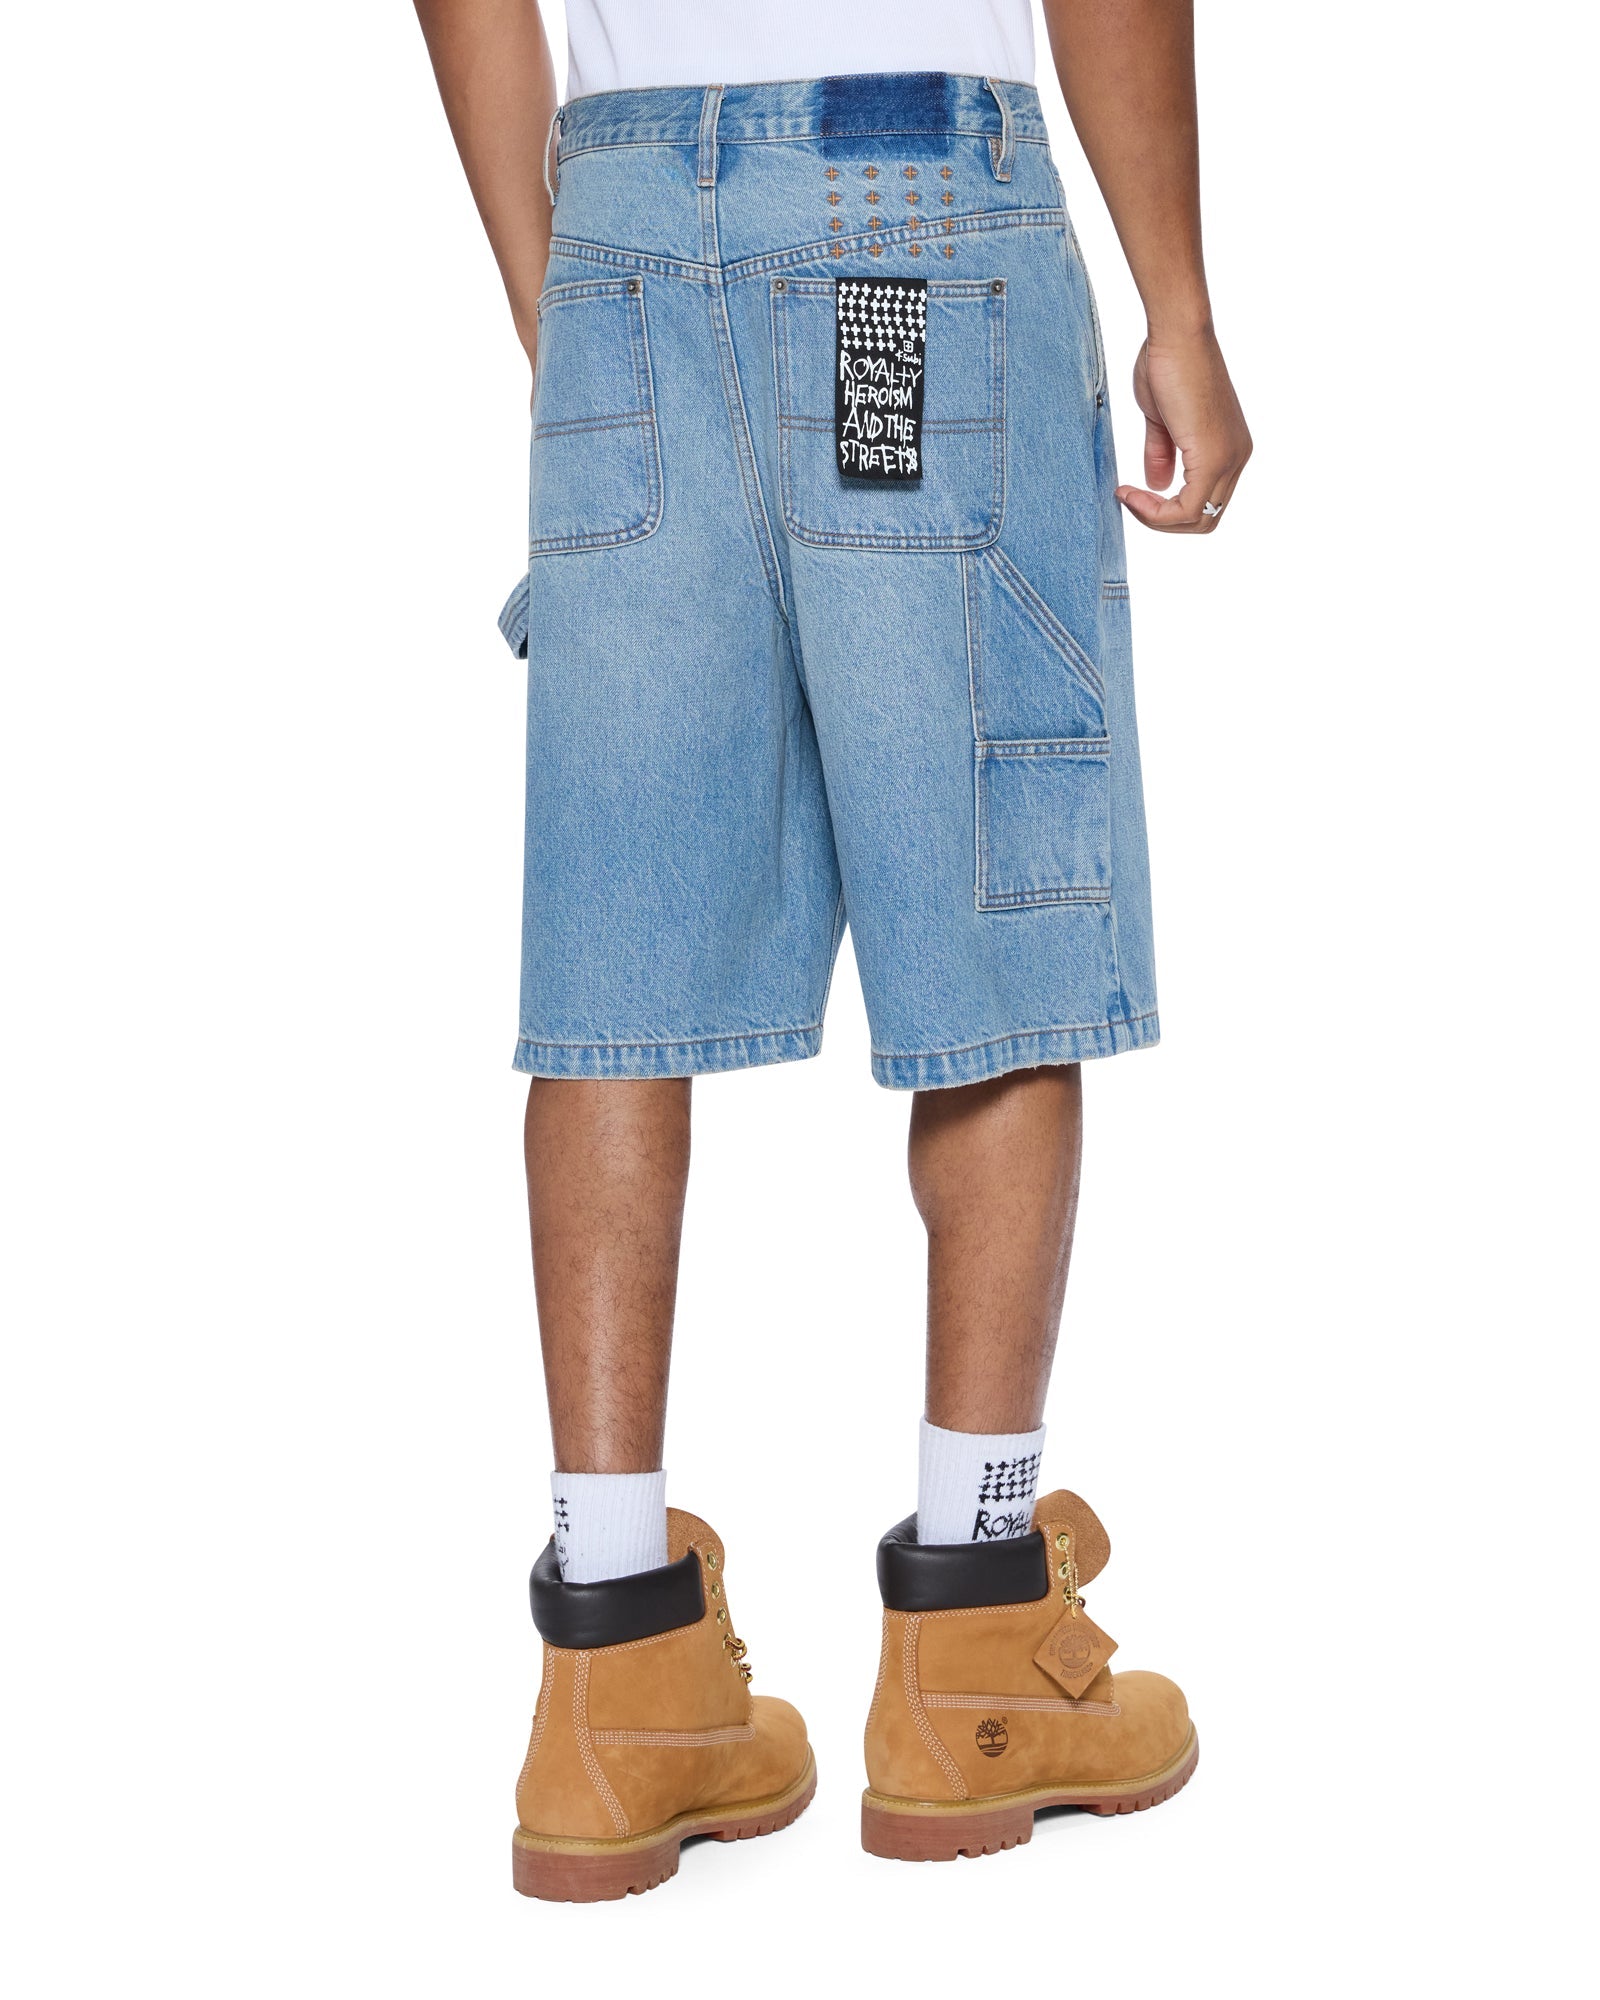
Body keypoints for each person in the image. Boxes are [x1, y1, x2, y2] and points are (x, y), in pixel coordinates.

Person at [412, 0, 1251, 1900]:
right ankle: (976, 1645)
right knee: (988, 912)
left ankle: (615, 1675)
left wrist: (570, 307)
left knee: (615, 964)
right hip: (899, 250)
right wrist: (1181, 302)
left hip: (626, 243)